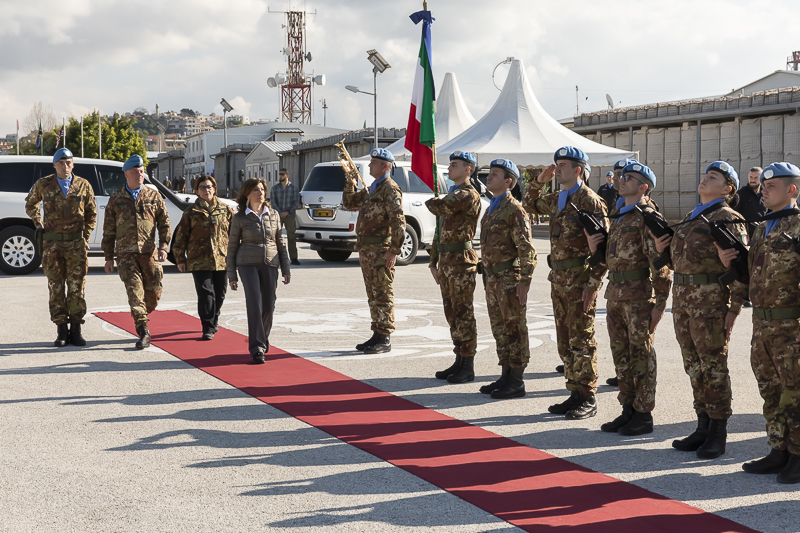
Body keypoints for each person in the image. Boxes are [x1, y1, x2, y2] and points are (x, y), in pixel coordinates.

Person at [653, 161, 746, 459]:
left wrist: (735, 307)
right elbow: (679, 260)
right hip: (684, 302)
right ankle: (702, 425)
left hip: (710, 303)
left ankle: (718, 432)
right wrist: (660, 252)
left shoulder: (728, 217)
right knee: (693, 364)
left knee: (713, 366)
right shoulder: (693, 215)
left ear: (727, 188)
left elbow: (741, 267)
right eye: (705, 175)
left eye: (713, 177)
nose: (705, 179)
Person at [719, 162, 800, 484]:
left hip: (792, 327)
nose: (763, 190)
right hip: (763, 326)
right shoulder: (763, 226)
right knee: (770, 390)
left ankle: (797, 454)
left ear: (791, 190)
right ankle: (778, 449)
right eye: (763, 186)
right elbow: (750, 275)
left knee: (794, 392)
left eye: (772, 186)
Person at [522, 146, 607, 420]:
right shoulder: (558, 197)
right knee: (565, 340)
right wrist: (538, 183)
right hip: (558, 279)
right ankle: (574, 392)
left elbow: (602, 249)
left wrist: (593, 284)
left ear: (578, 170)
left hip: (580, 279)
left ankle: (588, 396)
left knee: (582, 339)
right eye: (556, 164)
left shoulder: (590, 201)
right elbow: (528, 204)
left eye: (563, 165)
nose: (557, 169)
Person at [587, 162, 671, 435]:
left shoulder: (647, 216)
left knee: (641, 356)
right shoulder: (621, 214)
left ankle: (643, 415)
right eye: (623, 176)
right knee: (621, 356)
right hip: (616, 296)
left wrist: (659, 304)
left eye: (630, 178)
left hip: (638, 298)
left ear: (643, 187)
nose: (622, 180)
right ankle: (628, 409)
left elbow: (660, 263)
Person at [24, 148, 97, 347]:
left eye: (69, 163)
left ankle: (76, 328)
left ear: (73, 164)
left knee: (76, 287)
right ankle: (61, 330)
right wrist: (38, 223)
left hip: (76, 244)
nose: (66, 167)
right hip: (52, 244)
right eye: (61, 163)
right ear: (54, 165)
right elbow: (30, 204)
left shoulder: (83, 185)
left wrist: (86, 237)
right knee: (56, 287)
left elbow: (92, 213)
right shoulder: (44, 184)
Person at [479, 159, 537, 399]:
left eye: (495, 174)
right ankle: (505, 374)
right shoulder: (492, 206)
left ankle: (517, 380)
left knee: (514, 328)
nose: (489, 177)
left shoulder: (514, 210)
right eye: (489, 174)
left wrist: (525, 281)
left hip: (509, 278)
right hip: (493, 278)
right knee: (499, 328)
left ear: (508, 182)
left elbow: (527, 249)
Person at [102, 155, 171, 350]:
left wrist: (164, 246)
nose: (139, 175)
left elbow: (164, 223)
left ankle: (140, 312)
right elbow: (109, 231)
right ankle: (143, 331)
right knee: (134, 292)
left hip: (149, 253)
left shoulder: (153, 196)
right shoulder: (116, 199)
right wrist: (108, 257)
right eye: (135, 172)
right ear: (126, 174)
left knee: (154, 293)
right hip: (125, 255)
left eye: (141, 172)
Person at [342, 148, 406, 354]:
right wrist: (350, 182)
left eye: (374, 163)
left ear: (385, 166)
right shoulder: (373, 188)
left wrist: (393, 250)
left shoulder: (390, 189)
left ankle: (385, 336)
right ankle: (377, 332)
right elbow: (349, 202)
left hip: (380, 249)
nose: (369, 165)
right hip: (367, 249)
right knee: (373, 293)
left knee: (383, 293)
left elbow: (399, 221)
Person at [427, 151, 482, 384]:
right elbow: (441, 230)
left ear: (468, 169)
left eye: (455, 164)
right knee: (451, 313)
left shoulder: (467, 194)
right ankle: (459, 359)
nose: (449, 168)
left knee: (463, 313)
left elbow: (437, 207)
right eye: (449, 164)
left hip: (461, 261)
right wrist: (433, 260)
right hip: (448, 260)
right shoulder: (453, 194)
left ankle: (467, 365)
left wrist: (434, 198)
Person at [227, 178, 291, 363]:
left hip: (270, 262)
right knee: (254, 302)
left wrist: (286, 268)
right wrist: (232, 274)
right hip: (247, 264)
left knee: (269, 305)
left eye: (262, 189)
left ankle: (262, 337)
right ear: (248, 194)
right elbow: (232, 246)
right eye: (256, 190)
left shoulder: (274, 214)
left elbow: (281, 242)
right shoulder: (240, 217)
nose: (260, 193)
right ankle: (256, 347)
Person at [173, 175, 234, 340]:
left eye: (209, 187)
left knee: (220, 293)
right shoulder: (191, 212)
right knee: (206, 293)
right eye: (202, 187)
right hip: (199, 260)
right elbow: (180, 238)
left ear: (214, 188)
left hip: (222, 259)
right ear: (196, 191)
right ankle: (207, 326)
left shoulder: (226, 209)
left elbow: (235, 236)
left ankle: (214, 319)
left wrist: (237, 257)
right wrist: (180, 259)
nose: (206, 190)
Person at [270, 168, 301, 265]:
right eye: (279, 174)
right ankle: (276, 258)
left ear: (287, 176)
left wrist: (287, 211)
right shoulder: (275, 188)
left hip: (290, 215)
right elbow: (273, 202)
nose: (280, 176)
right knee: (276, 238)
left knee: (291, 237)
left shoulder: (294, 188)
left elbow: (296, 202)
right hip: (278, 216)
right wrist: (279, 212)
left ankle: (294, 258)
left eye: (282, 174)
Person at [735, 167, 766, 238]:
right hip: (745, 235)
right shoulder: (741, 194)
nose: (752, 180)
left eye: (755, 178)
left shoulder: (765, 194)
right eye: (751, 177)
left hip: (761, 235)